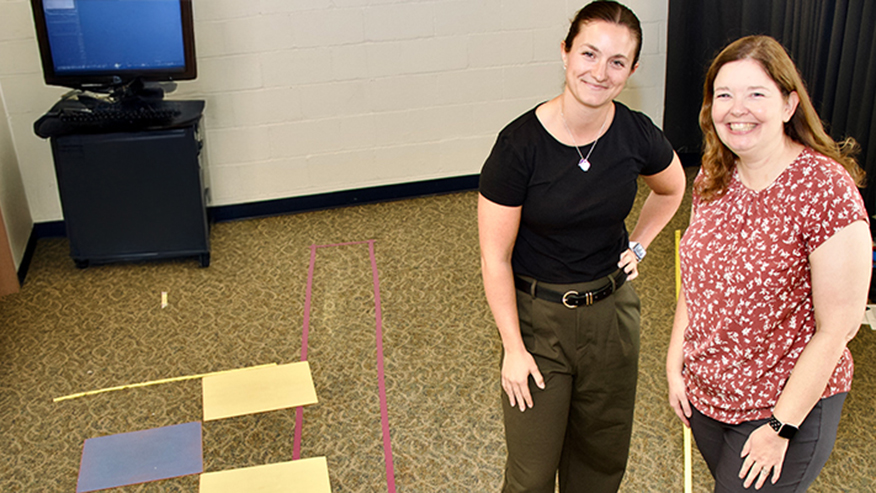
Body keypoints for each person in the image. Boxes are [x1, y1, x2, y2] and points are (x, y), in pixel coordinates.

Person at [478, 2, 686, 491]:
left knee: (600, 463)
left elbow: (672, 189)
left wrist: (638, 245)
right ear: (565, 52)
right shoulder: (518, 146)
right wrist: (513, 348)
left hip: (612, 317)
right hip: (539, 322)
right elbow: (495, 258)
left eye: (617, 62)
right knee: (531, 473)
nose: (600, 72)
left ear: (631, 70)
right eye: (589, 53)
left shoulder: (635, 133)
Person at [666, 35, 870, 492]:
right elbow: (697, 283)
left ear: (789, 104)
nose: (737, 109)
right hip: (709, 397)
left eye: (756, 93)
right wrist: (675, 364)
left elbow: (838, 329)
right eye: (724, 95)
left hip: (783, 407)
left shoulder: (825, 189)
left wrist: (780, 427)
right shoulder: (714, 175)